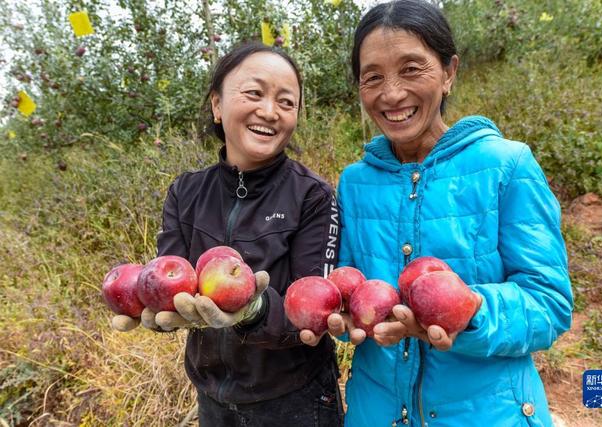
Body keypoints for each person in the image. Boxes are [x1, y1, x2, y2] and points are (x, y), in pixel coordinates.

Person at [300, 1, 573, 426]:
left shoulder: (507, 166)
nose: (391, 93)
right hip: (376, 411)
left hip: (488, 413)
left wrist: (467, 312)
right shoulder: (355, 182)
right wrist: (343, 317)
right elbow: (351, 290)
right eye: (373, 77)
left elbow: (549, 304)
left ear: (449, 72)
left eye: (411, 69)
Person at [112, 42, 343, 427]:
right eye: (254, 93)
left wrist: (254, 309)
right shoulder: (185, 192)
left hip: (296, 398)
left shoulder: (313, 196)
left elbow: (312, 310)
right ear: (218, 105)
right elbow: (173, 283)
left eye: (287, 103)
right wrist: (156, 303)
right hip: (213, 399)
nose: (269, 112)